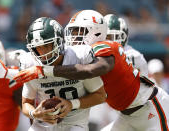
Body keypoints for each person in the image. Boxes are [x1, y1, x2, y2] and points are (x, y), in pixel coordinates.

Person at [13, 10, 169, 131]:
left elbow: (92, 70)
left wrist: (45, 71)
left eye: (77, 31)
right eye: (72, 32)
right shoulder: (82, 54)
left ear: (96, 31)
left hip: (151, 108)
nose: (72, 36)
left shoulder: (107, 47)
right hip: (126, 115)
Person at [0, 16, 106, 131]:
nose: (42, 52)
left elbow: (100, 95)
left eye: (47, 45)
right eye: (37, 48)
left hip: (75, 125)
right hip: (43, 125)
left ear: (60, 42)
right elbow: (26, 103)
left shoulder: (77, 57)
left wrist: (72, 104)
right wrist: (35, 113)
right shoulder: (29, 63)